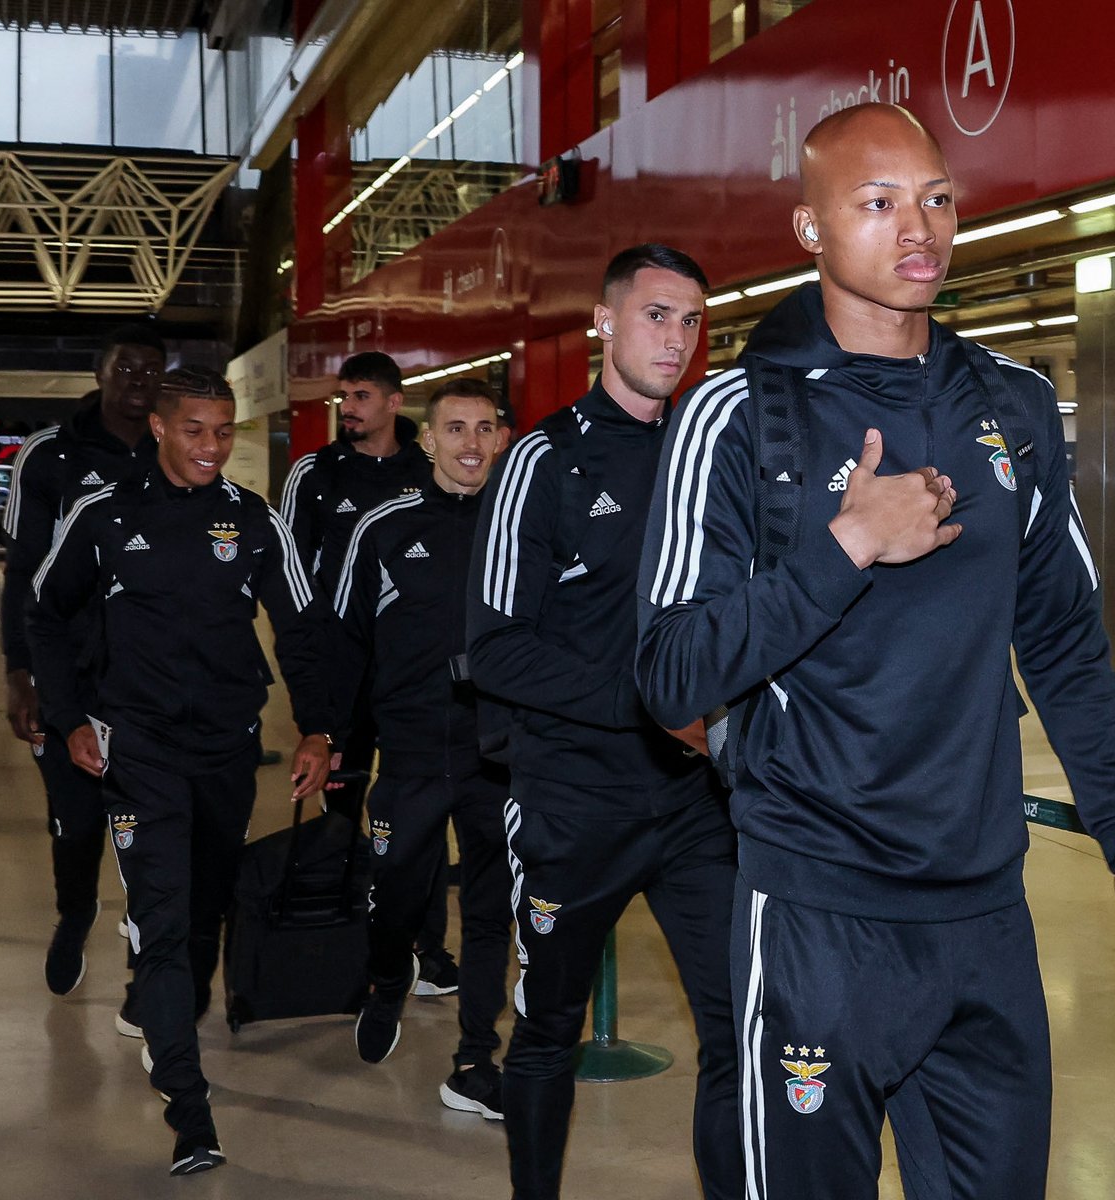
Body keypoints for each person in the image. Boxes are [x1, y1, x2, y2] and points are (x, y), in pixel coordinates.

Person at [634, 103, 1115, 1200]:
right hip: (813, 916)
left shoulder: (1014, 408)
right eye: (878, 203)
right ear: (810, 228)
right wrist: (847, 545)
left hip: (984, 913)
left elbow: (1068, 645)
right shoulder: (737, 417)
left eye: (936, 198)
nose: (919, 227)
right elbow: (669, 673)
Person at [467, 245, 744, 1200]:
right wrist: (651, 704)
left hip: (695, 805)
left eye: (691, 321)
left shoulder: (707, 459)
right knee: (547, 1032)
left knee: (740, 1023)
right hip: (573, 802)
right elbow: (495, 649)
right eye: (658, 315)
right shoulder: (543, 463)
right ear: (605, 322)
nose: (676, 338)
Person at [26, 367, 335, 1176]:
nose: (211, 446)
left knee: (205, 910)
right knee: (161, 922)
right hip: (140, 751)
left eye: (223, 430)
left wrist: (319, 729)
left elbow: (300, 628)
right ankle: (190, 1113)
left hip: (229, 750)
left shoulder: (253, 519)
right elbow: (44, 612)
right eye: (195, 429)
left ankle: (175, 1019)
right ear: (159, 428)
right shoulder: (103, 514)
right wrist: (67, 719)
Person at [333, 378, 512, 1117]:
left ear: (501, 438)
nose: (472, 443)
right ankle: (385, 979)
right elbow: (343, 641)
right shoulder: (381, 527)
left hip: (496, 753)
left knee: (491, 905)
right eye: (456, 429)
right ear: (429, 440)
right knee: (398, 894)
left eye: (485, 428)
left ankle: (475, 1054)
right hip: (408, 755)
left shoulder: (519, 527)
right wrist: (338, 739)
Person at [278, 351, 456, 992]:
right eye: (343, 395)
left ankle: (425, 946)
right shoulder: (314, 474)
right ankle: (341, 929)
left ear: (392, 402)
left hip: (414, 678)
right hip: (343, 675)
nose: (347, 407)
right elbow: (291, 575)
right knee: (340, 810)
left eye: (360, 396)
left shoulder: (425, 467)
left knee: (424, 810)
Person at [1, 323, 165, 997]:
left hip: (152, 673)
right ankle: (75, 914)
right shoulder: (48, 456)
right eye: (125, 367)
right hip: (66, 668)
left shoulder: (173, 448)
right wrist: (20, 672)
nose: (137, 379)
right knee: (75, 812)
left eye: (150, 369)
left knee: (151, 812)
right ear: (100, 373)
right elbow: (23, 573)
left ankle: (143, 934)